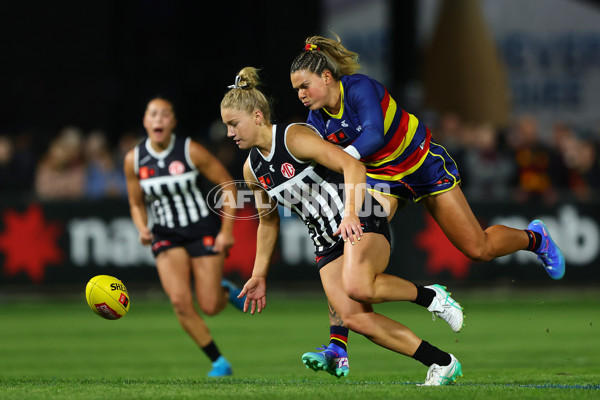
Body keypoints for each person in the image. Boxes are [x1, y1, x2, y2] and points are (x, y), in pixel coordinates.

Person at [289, 35, 566, 377]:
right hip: (382, 182)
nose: (301, 95)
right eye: (296, 90)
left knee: (478, 248)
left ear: (327, 77)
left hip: (423, 167)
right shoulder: (317, 122)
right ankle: (337, 344)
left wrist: (342, 160)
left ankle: (535, 239)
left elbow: (374, 134)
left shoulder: (359, 88)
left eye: (305, 86)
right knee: (348, 242)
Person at [221, 67, 464, 386]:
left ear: (256, 116)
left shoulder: (294, 137)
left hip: (359, 215)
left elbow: (352, 164)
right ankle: (442, 362)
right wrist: (259, 273)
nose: (228, 133)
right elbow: (268, 221)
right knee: (355, 318)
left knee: (360, 287)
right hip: (325, 241)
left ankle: (431, 296)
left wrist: (350, 212)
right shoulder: (252, 168)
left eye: (232, 124)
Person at [124, 96, 246, 377]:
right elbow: (135, 202)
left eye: (165, 115)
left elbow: (228, 186)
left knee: (210, 306)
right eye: (153, 114)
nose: (158, 119)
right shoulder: (134, 159)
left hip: (201, 229)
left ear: (173, 122)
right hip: (165, 234)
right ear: (145, 121)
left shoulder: (190, 150)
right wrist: (142, 227)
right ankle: (219, 362)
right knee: (179, 301)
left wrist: (227, 232)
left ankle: (224, 291)